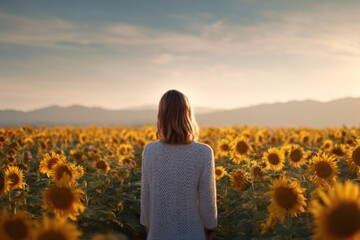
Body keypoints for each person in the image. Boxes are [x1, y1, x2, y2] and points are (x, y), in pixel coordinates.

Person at [140, 89, 217, 240]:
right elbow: (207, 202)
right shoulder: (203, 152)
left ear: (161, 116)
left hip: (158, 234)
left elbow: (146, 199)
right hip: (191, 234)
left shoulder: (150, 150)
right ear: (188, 115)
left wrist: (150, 227)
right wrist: (210, 227)